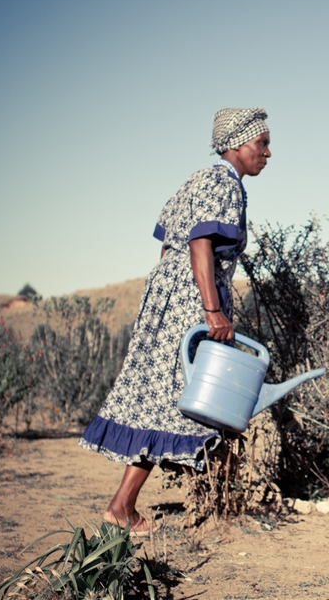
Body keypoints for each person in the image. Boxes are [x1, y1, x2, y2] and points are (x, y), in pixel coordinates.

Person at [79, 107, 271, 534]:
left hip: (168, 297)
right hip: (193, 302)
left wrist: (166, 302)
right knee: (194, 397)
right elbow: (199, 244)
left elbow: (167, 248)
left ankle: (129, 504)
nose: (268, 152)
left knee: (164, 400)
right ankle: (131, 507)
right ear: (237, 144)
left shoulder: (194, 181)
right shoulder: (224, 184)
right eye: (262, 143)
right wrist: (211, 309)